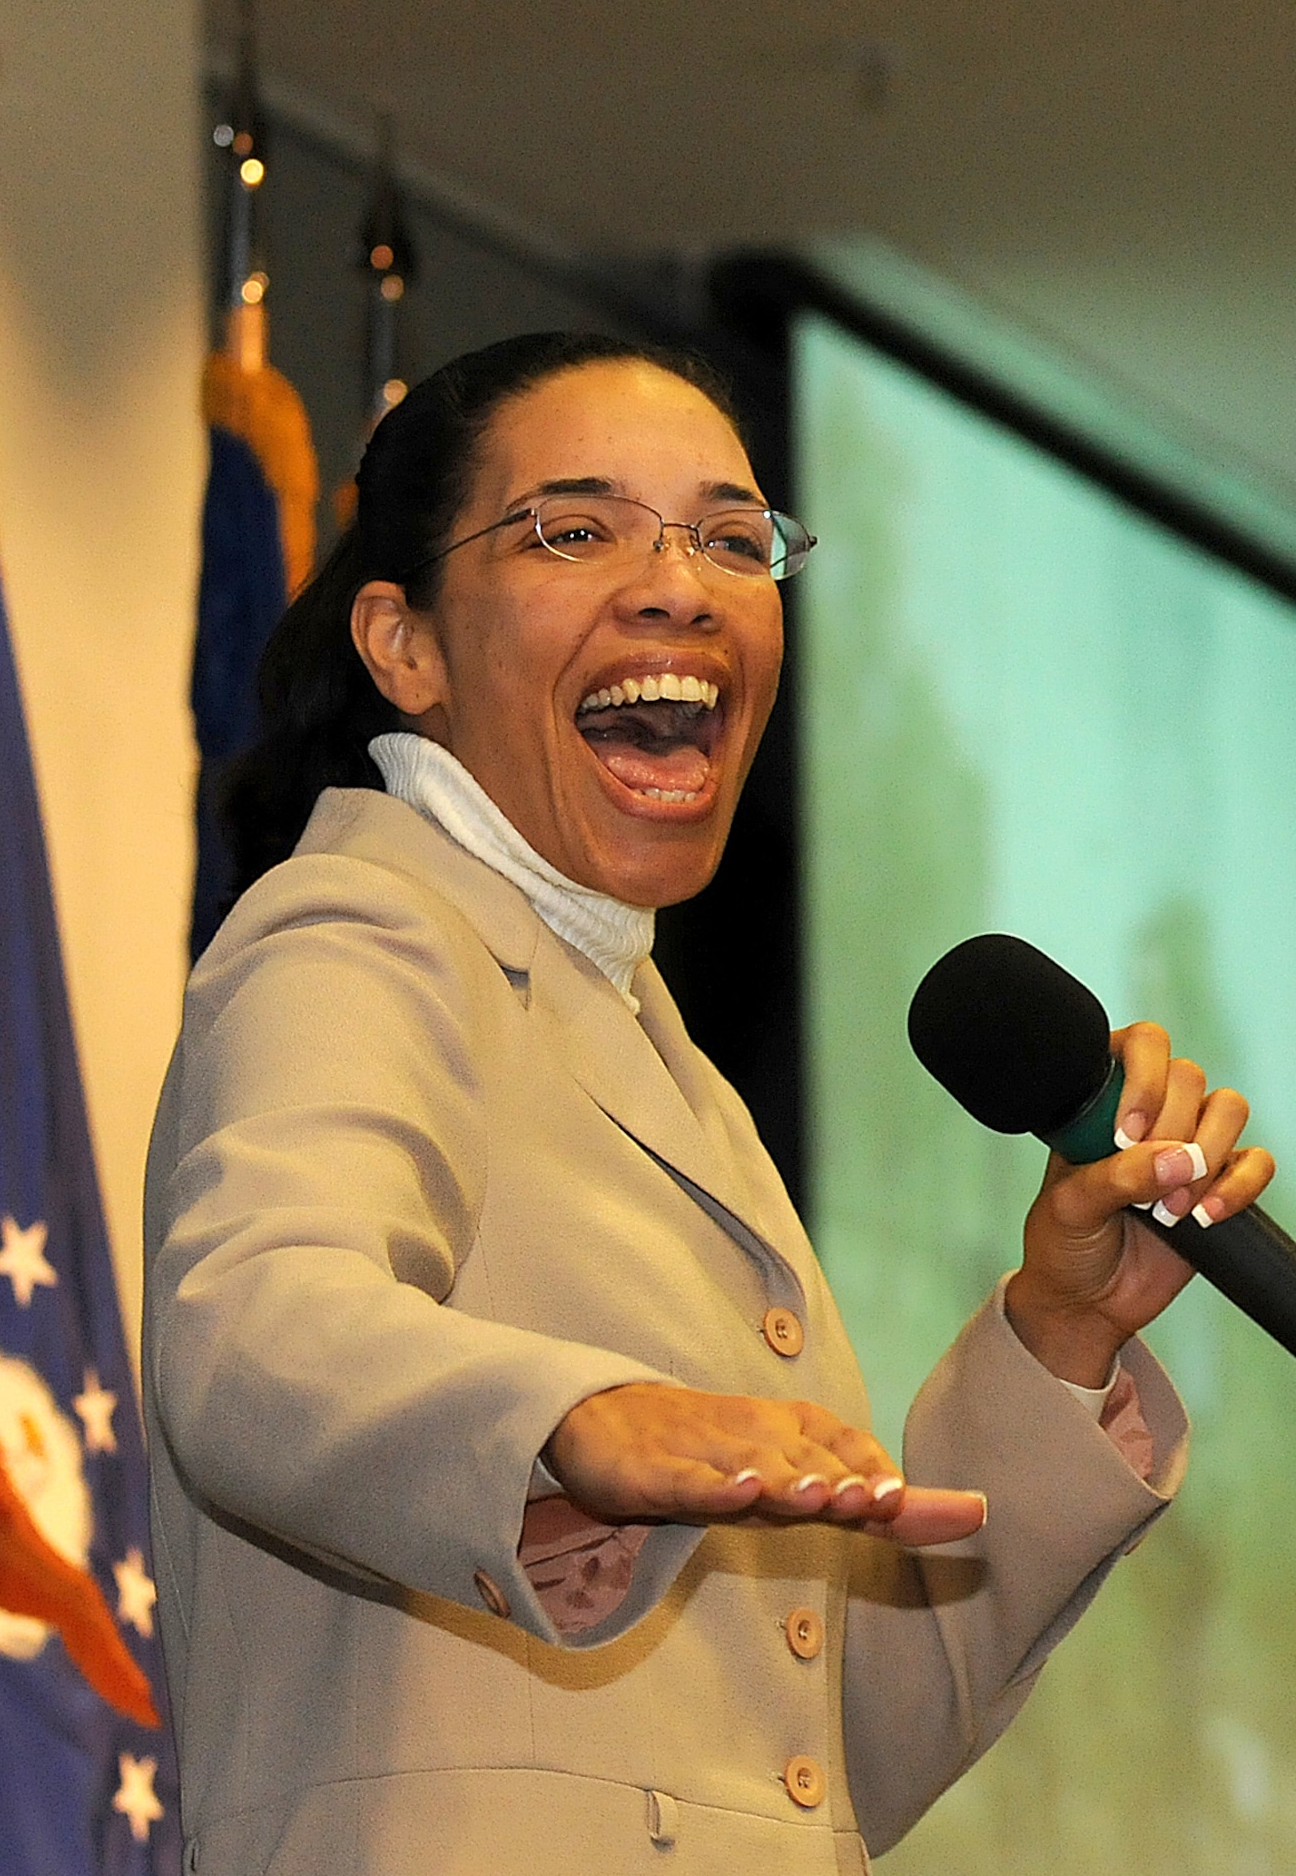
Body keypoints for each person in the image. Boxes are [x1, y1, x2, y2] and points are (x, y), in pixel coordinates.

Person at [142, 332, 1273, 1876]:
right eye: (574, 526)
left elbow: (821, 1765)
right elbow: (252, 1326)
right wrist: (567, 1422)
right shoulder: (363, 930)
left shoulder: (653, 1055)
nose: (679, 583)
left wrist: (1059, 1334)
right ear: (403, 646)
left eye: (734, 540)